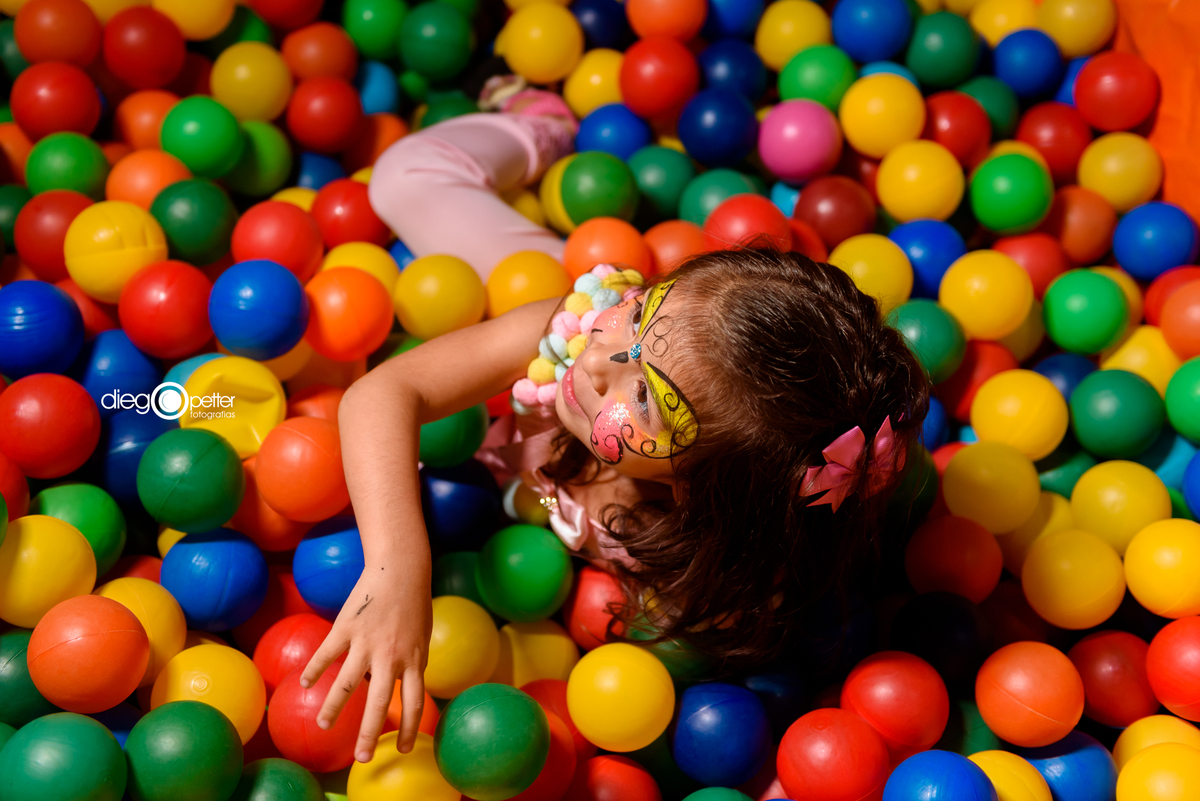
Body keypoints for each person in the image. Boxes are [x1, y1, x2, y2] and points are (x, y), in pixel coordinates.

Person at [299, 88, 931, 765]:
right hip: (516, 326)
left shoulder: (710, 572)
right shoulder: (569, 332)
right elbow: (385, 390)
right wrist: (399, 565)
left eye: (648, 400)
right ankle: (541, 127)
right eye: (640, 312)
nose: (599, 361)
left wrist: (531, 504)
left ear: (702, 486)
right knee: (403, 175)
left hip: (539, 484)